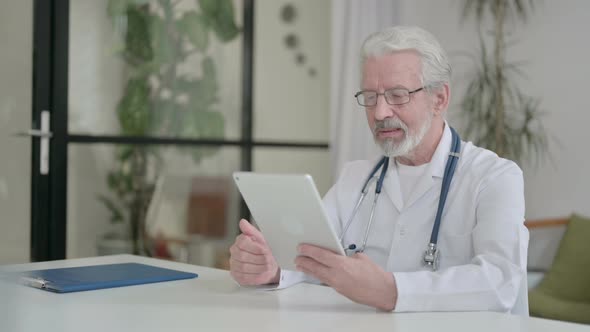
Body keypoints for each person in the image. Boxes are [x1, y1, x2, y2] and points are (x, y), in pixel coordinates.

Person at [229, 26, 529, 314]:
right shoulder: (356, 177)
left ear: (439, 99)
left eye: (398, 95)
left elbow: (500, 283)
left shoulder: (494, 177)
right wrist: (272, 267)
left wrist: (391, 290)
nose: (380, 113)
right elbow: (313, 256)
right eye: (370, 97)